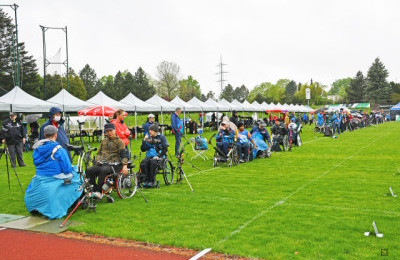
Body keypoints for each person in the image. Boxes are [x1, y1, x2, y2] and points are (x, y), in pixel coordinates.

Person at [24, 125, 82, 219]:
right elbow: (67, 168)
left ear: (44, 135)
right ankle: (73, 198)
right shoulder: (58, 149)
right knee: (78, 175)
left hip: (40, 176)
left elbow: (38, 163)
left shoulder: (37, 149)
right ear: (56, 135)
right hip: (55, 176)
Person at [86, 123, 128, 203]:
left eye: (111, 131)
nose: (109, 133)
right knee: (89, 170)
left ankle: (99, 192)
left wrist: (125, 166)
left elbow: (123, 155)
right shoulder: (103, 142)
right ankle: (93, 190)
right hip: (103, 163)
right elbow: (98, 153)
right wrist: (98, 159)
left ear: (114, 130)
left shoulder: (119, 142)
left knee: (103, 171)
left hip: (115, 164)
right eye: (107, 131)